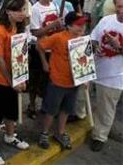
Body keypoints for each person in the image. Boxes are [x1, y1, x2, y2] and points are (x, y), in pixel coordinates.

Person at [0, 0, 29, 165]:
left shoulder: (19, 28)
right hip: (0, 81)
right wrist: (11, 81)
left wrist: (21, 77)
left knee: (12, 111)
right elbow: (0, 59)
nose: (22, 13)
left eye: (24, 10)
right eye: (19, 10)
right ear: (8, 11)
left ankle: (10, 136)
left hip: (16, 78)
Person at [37, 12, 87, 150]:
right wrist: (44, 63)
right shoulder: (58, 37)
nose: (82, 27)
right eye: (78, 25)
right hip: (58, 81)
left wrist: (86, 77)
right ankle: (45, 133)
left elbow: (85, 61)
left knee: (66, 110)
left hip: (74, 83)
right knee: (51, 110)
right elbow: (39, 45)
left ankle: (60, 132)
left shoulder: (82, 40)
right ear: (69, 26)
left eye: (83, 24)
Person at [90, 0, 123, 152]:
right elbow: (94, 38)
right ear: (115, 6)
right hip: (94, 68)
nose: (122, 10)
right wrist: (95, 45)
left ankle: (99, 136)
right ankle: (81, 116)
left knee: (107, 108)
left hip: (115, 77)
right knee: (84, 98)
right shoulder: (106, 20)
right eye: (119, 6)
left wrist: (119, 46)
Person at [28, 0, 62, 119]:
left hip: (52, 50)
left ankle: (44, 106)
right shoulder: (35, 9)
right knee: (35, 79)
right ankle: (31, 105)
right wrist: (53, 25)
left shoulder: (54, 6)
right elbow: (35, 32)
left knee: (47, 81)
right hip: (39, 50)